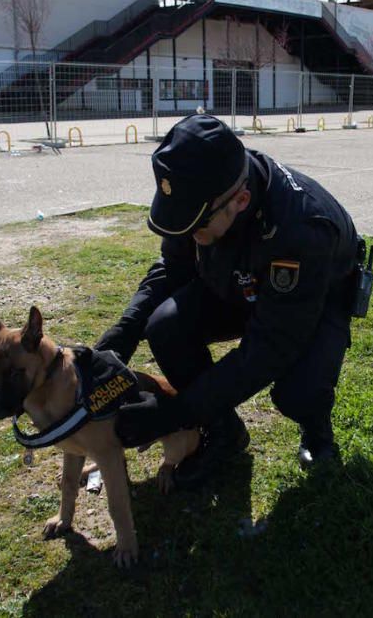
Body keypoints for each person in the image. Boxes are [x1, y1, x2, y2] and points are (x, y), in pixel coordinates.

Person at [96, 114, 359, 489]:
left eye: (196, 228)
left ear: (241, 200)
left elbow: (270, 346)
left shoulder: (301, 228)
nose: (189, 235)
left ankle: (317, 433)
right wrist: (122, 334)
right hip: (239, 279)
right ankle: (224, 434)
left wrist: (177, 412)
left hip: (314, 298)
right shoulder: (201, 189)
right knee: (165, 325)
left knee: (298, 392)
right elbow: (173, 267)